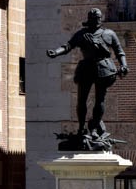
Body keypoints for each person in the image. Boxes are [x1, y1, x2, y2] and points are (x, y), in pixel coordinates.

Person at [46, 8, 128, 138]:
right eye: (93, 19)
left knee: (100, 100)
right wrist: (56, 52)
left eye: (97, 18)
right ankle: (81, 128)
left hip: (104, 69)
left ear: (100, 19)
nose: (95, 21)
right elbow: (68, 46)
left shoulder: (109, 34)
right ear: (89, 19)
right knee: (81, 100)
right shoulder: (82, 34)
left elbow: (119, 51)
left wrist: (124, 65)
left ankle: (94, 128)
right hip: (86, 69)